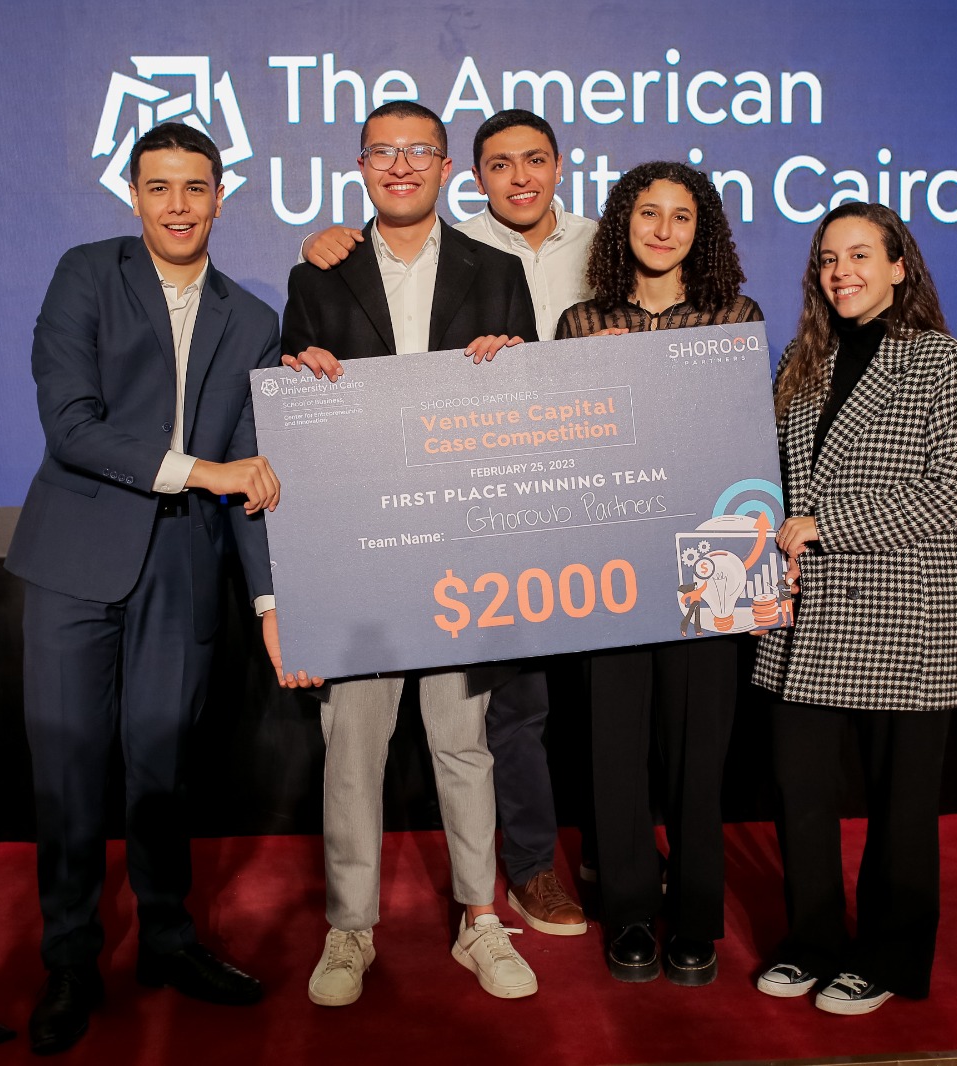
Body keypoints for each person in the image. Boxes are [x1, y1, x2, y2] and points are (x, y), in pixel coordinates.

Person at [5, 122, 316, 1055]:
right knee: (68, 775)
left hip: (184, 572)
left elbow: (257, 481)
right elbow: (72, 426)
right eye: (159, 187)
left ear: (222, 197)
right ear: (133, 196)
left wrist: (270, 606)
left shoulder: (253, 321)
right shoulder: (85, 275)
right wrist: (205, 471)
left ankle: (168, 941)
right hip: (74, 560)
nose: (178, 205)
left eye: (195, 187)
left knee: (163, 770)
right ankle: (69, 959)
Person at [301, 107, 594, 938]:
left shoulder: (489, 267)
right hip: (362, 555)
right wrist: (300, 372)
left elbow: (528, 396)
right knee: (353, 754)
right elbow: (294, 409)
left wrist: (510, 371)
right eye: (384, 153)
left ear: (442, 168)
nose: (401, 166)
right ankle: (349, 929)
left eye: (418, 152)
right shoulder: (320, 274)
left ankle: (482, 916)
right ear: (361, 165)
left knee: (469, 742)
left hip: (471, 547)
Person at [750, 201, 957, 1015]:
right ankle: (813, 941)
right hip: (803, 617)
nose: (840, 271)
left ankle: (887, 956)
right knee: (800, 795)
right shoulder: (798, 360)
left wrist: (828, 526)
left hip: (903, 614)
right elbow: (766, 481)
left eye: (859, 256)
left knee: (901, 807)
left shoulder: (943, 361)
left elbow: (955, 494)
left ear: (898, 267)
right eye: (826, 259)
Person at [554, 160, 764, 986]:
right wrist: (592, 376)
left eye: (682, 216)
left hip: (710, 558)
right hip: (611, 564)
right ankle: (632, 913)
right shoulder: (579, 322)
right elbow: (566, 449)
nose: (664, 229)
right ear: (624, 224)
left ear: (700, 230)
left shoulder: (732, 316)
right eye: (649, 213)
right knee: (615, 747)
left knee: (695, 751)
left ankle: (696, 919)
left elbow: (737, 440)